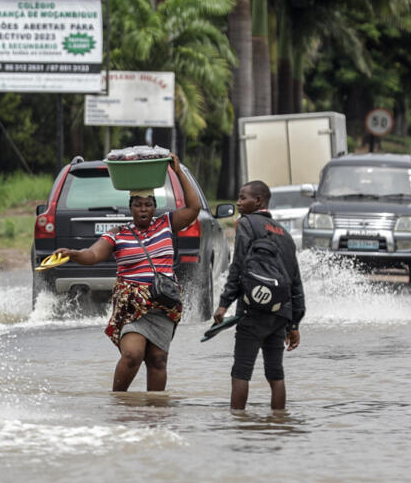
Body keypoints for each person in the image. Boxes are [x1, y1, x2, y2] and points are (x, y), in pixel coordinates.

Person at [50, 153, 202, 391]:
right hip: (132, 305)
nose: (144, 209)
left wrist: (178, 172)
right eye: (138, 205)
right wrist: (73, 253)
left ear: (155, 207)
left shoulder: (166, 224)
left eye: (148, 204)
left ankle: (154, 412)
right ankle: (119, 403)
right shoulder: (118, 233)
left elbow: (194, 207)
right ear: (130, 208)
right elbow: (93, 255)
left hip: (163, 303)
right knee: (132, 354)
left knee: (158, 360)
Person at [212, 180, 306, 410]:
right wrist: (294, 324)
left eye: (243, 197)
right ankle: (278, 423)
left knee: (241, 371)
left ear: (259, 201)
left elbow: (239, 266)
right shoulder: (285, 234)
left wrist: (224, 304)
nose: (238, 202)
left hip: (252, 311)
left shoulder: (246, 224)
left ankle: (238, 424)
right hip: (280, 313)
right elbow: (295, 282)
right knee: (276, 374)